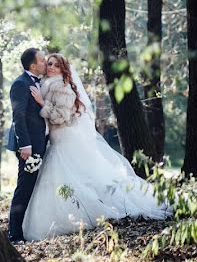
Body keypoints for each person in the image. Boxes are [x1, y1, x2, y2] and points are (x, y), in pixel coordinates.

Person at [22, 53, 170, 240]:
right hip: (57, 139)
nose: (50, 67)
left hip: (65, 139)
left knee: (80, 178)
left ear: (63, 69)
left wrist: (43, 103)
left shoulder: (62, 87)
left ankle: (84, 213)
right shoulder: (47, 84)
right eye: (49, 64)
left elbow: (62, 116)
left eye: (55, 65)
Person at [7, 48, 48, 243]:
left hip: (40, 143)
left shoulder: (38, 83)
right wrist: (25, 145)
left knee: (31, 186)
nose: (45, 62)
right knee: (24, 188)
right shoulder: (20, 84)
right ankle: (14, 234)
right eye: (42, 60)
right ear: (33, 66)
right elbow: (19, 116)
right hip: (28, 147)